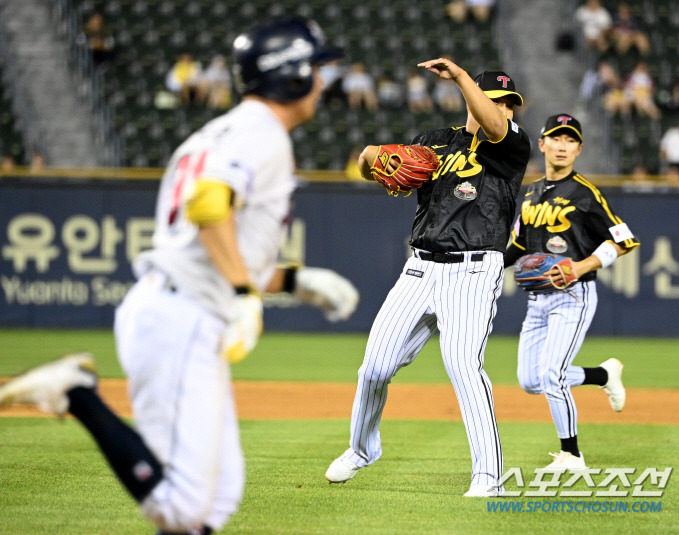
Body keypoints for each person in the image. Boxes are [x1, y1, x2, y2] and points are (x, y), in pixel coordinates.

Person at [0, 18, 359, 535]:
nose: (324, 80)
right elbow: (208, 205)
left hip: (179, 307)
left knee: (217, 499)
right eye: (317, 67)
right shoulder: (263, 133)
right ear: (294, 76)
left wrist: (290, 282)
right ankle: (76, 394)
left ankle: (76, 393)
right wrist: (242, 292)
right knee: (186, 506)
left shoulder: (221, 131)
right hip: (180, 317)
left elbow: (209, 236)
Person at [325, 59, 531, 497]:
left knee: (462, 366)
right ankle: (362, 449)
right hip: (419, 268)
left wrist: (460, 78)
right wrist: (371, 163)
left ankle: (488, 478)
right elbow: (371, 162)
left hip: (474, 272)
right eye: (496, 100)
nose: (504, 109)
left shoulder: (511, 145)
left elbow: (494, 126)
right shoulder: (434, 142)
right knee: (374, 367)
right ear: (472, 101)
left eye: (510, 104)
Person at [504, 114, 640, 470]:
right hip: (537, 301)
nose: (562, 146)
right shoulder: (531, 193)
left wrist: (581, 267)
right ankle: (602, 375)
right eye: (556, 139)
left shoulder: (586, 193)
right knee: (530, 380)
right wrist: (487, 267)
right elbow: (518, 246)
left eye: (570, 141)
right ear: (543, 144)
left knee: (552, 375)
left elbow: (624, 241)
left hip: (573, 296)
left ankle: (572, 454)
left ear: (579, 149)